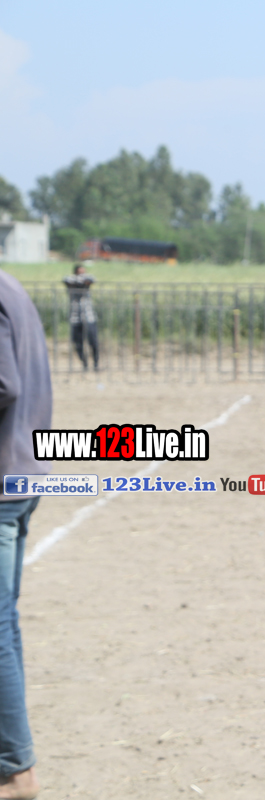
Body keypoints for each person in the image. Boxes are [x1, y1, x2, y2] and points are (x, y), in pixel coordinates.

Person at [0, 267, 52, 800]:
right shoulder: (11, 285)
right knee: (3, 622)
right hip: (21, 474)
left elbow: (4, 384)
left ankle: (16, 773)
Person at [62, 264, 98, 371]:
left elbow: (91, 279)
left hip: (89, 316)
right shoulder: (70, 279)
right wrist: (79, 282)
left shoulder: (88, 278)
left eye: (83, 272)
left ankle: (96, 363)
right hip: (75, 317)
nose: (82, 274)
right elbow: (66, 280)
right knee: (78, 343)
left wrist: (82, 282)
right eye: (80, 272)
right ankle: (85, 363)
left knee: (93, 341)